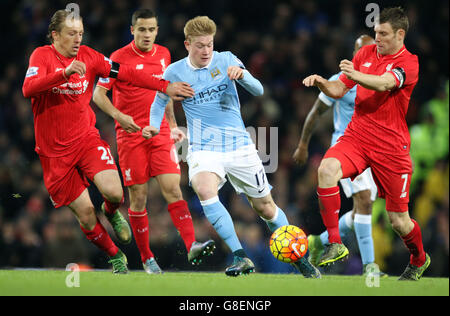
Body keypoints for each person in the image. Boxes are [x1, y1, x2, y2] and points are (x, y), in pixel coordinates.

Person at [143, 16, 320, 278]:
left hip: (239, 146)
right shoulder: (174, 72)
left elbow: (259, 90)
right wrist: (156, 126)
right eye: (200, 46)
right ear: (187, 44)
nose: (206, 51)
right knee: (204, 188)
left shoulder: (226, 59)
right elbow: (159, 101)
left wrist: (243, 76)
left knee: (266, 208)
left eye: (210, 45)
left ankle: (300, 259)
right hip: (203, 147)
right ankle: (240, 256)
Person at [22, 8, 194, 273]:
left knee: (115, 193)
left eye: (80, 33)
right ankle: (115, 256)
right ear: (55, 35)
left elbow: (126, 73)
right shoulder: (42, 56)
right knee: (87, 215)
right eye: (71, 34)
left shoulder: (89, 56)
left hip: (86, 141)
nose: (78, 39)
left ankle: (112, 211)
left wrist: (163, 86)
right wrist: (64, 73)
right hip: (54, 153)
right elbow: (28, 88)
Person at [302, 7, 430, 280]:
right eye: (375, 33)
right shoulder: (364, 55)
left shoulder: (409, 62)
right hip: (358, 137)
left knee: (399, 221)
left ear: (400, 34)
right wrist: (323, 83)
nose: (378, 39)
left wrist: (355, 74)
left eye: (383, 34)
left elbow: (384, 84)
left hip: (391, 147)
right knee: (325, 171)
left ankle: (419, 258)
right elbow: (339, 89)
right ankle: (335, 243)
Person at [93, 9, 215, 274]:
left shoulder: (164, 55)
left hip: (159, 132)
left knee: (173, 189)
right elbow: (99, 95)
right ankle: (147, 259)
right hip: (130, 135)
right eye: (142, 30)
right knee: (138, 198)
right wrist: (118, 116)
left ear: (157, 31)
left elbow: (165, 92)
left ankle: (192, 243)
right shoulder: (117, 58)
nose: (147, 34)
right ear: (132, 30)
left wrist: (172, 126)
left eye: (151, 30)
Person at [293, 35, 387, 277]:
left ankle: (317, 242)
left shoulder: (381, 82)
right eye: (362, 52)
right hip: (347, 149)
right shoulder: (341, 82)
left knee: (360, 212)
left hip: (373, 150)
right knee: (364, 201)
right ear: (356, 54)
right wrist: (303, 144)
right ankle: (370, 269)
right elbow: (315, 113)